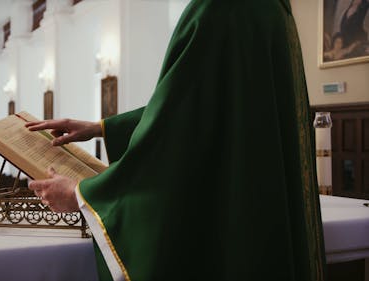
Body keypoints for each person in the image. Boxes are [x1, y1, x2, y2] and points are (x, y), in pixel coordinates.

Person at [26, 0, 327, 280]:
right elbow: (207, 108)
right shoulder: (271, 9)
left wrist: (80, 194)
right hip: (263, 202)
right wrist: (101, 127)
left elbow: (175, 128)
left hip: (234, 214)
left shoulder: (218, 10)